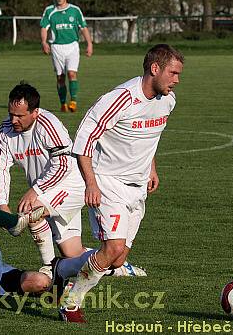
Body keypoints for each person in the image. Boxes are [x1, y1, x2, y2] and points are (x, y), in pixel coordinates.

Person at [58, 44, 184, 322]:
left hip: (137, 188)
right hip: (107, 183)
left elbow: (152, 137)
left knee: (115, 258)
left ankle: (62, 269)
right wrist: (91, 184)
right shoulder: (121, 98)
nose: (177, 80)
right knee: (113, 249)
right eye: (173, 73)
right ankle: (70, 303)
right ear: (155, 69)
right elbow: (83, 140)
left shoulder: (168, 101)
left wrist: (152, 167)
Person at [0, 82, 145, 279]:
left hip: (72, 184)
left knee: (32, 211)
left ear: (35, 112)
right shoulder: (5, 131)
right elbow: (0, 168)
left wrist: (36, 190)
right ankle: (116, 267)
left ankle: (49, 267)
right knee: (72, 253)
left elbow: (63, 165)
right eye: (11, 113)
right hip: (47, 191)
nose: (13, 120)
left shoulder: (48, 124)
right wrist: (1, 203)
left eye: (20, 115)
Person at [40, 0, 93, 113]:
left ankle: (73, 101)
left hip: (72, 46)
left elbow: (83, 27)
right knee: (60, 77)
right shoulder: (49, 11)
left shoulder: (75, 10)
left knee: (72, 73)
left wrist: (89, 43)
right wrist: (44, 42)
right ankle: (63, 103)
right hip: (57, 47)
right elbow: (43, 28)